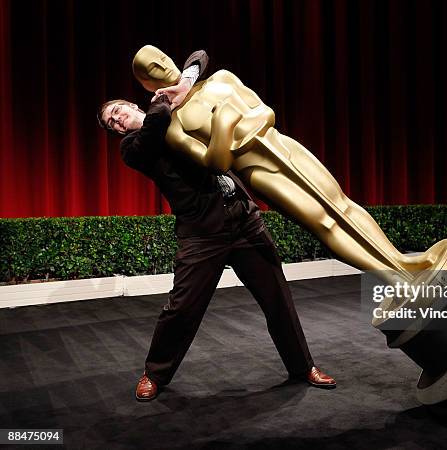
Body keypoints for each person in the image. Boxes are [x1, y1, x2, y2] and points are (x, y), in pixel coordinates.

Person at [97, 49, 336, 402]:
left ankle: (303, 367)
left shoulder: (182, 104)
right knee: (181, 308)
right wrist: (167, 96)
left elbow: (200, 56)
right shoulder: (134, 147)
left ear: (132, 105)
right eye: (111, 124)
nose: (117, 121)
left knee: (278, 299)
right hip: (201, 234)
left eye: (118, 111)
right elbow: (155, 127)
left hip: (243, 221)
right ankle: (155, 373)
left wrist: (185, 81)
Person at [129, 45, 447, 293]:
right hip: (256, 168)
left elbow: (265, 112)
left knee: (341, 203)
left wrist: (242, 123)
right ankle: (392, 278)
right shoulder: (174, 125)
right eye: (150, 67)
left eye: (159, 56)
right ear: (146, 84)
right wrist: (226, 126)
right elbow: (217, 163)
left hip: (283, 145)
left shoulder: (221, 79)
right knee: (323, 222)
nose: (160, 64)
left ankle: (402, 262)